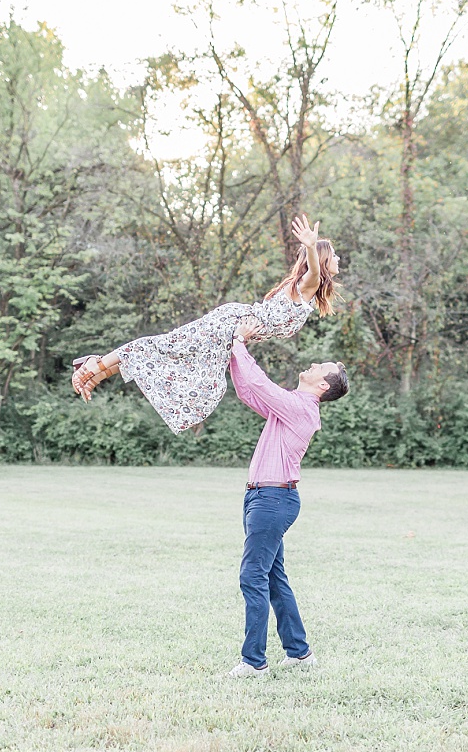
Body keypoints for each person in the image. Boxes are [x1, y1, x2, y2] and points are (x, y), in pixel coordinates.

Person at [69, 215, 340, 434]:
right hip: (229, 324)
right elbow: (314, 271)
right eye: (334, 256)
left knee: (191, 376)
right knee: (168, 350)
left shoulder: (307, 296)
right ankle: (97, 364)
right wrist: (309, 246)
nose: (338, 260)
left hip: (232, 328)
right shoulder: (309, 283)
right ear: (323, 260)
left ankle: (98, 371)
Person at [224, 315, 348, 678]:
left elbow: (260, 384)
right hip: (264, 499)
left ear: (323, 384)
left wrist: (240, 342)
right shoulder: (292, 404)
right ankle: (299, 653)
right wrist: (235, 351)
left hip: (272, 500)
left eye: (318, 367)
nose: (311, 365)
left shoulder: (302, 408)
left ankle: (254, 662)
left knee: (252, 576)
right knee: (273, 577)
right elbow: (249, 391)